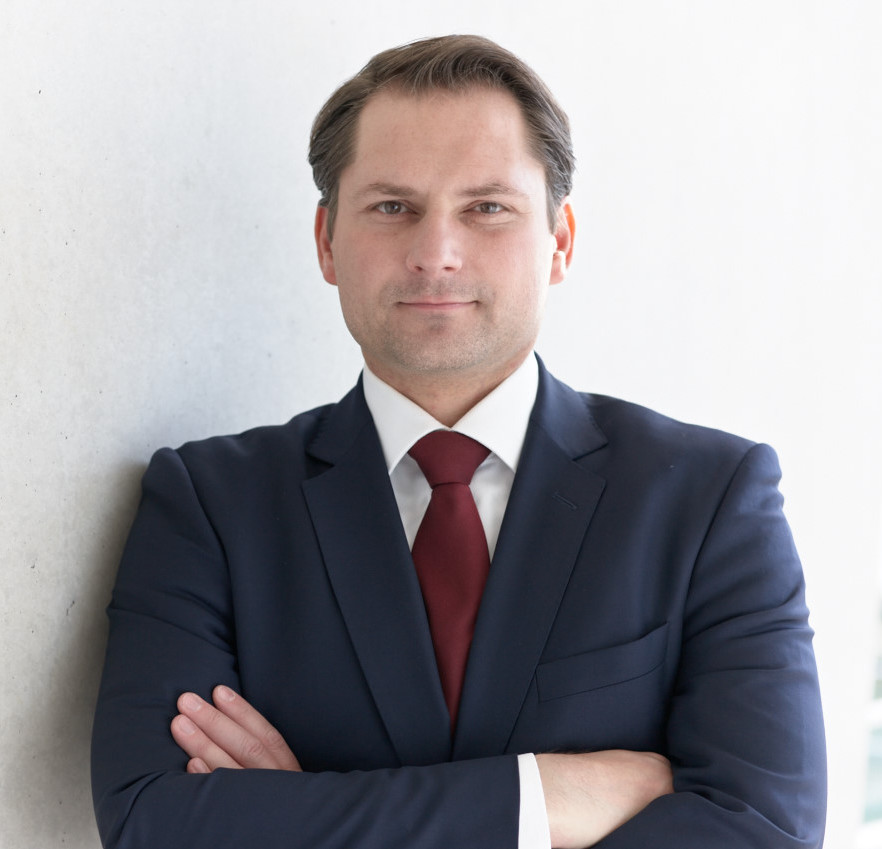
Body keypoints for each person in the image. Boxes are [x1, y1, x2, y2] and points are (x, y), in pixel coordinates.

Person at [90, 34, 826, 849]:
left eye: (487, 208)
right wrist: (541, 799)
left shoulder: (711, 498)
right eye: (392, 207)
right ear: (327, 241)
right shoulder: (208, 505)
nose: (435, 254)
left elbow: (765, 832)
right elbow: (151, 821)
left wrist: (298, 811)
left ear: (560, 241)